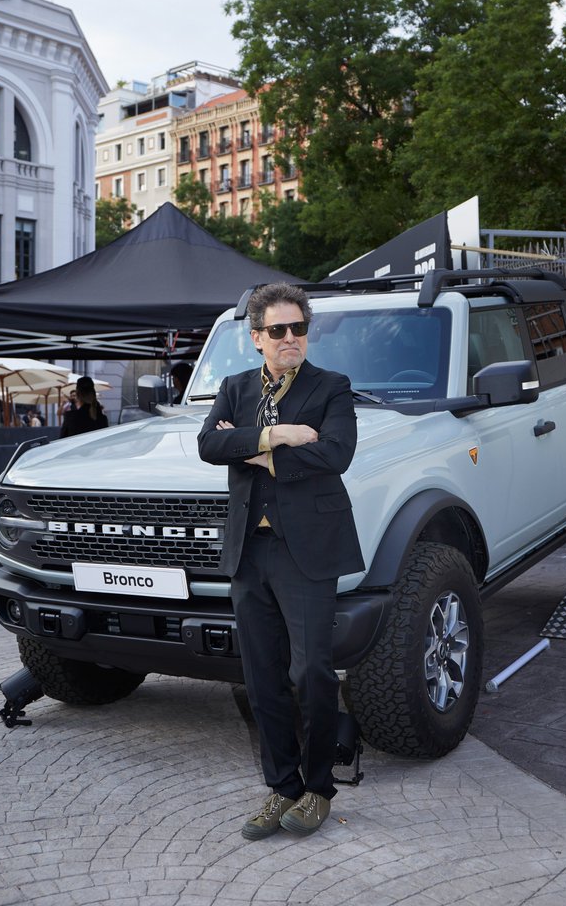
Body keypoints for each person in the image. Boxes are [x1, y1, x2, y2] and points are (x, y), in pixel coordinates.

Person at [198, 283, 362, 840]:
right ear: (257, 338)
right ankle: (283, 788)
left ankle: (318, 788)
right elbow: (207, 445)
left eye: (298, 328)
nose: (291, 338)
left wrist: (251, 448)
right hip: (250, 550)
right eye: (278, 330)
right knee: (262, 676)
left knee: (311, 671)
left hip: (308, 550)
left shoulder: (332, 387)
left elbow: (336, 452)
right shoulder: (234, 387)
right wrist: (279, 435)